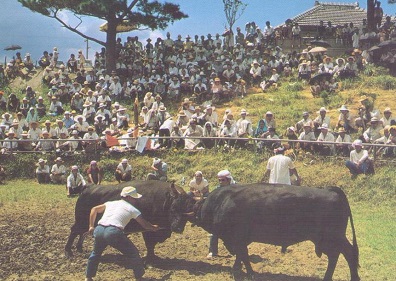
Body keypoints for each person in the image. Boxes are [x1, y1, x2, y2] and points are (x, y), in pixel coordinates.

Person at [85, 186, 160, 281]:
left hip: (99, 230)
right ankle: (139, 277)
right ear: (128, 197)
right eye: (134, 198)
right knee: (133, 253)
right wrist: (153, 228)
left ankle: (88, 277)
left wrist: (91, 226)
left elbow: (94, 209)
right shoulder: (132, 209)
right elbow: (144, 224)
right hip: (113, 232)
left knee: (95, 253)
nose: (135, 201)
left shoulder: (110, 203)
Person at [207, 170, 236, 259]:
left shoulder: (236, 188)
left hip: (233, 214)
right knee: (214, 232)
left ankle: (236, 251)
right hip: (221, 214)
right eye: (219, 180)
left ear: (228, 179)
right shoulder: (217, 189)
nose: (220, 182)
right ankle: (212, 251)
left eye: (223, 180)